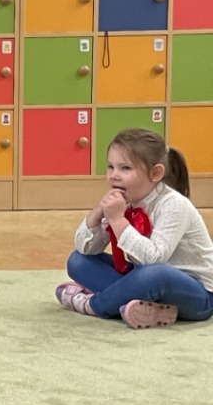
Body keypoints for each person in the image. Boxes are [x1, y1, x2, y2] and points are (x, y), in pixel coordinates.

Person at [56, 128, 213, 327]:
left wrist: (118, 220)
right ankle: (151, 309)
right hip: (146, 281)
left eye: (125, 168)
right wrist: (98, 213)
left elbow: (153, 259)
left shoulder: (174, 204)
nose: (114, 176)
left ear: (155, 173)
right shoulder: (126, 199)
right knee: (78, 261)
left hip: (198, 295)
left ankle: (94, 305)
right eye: (110, 167)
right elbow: (87, 249)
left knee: (156, 274)